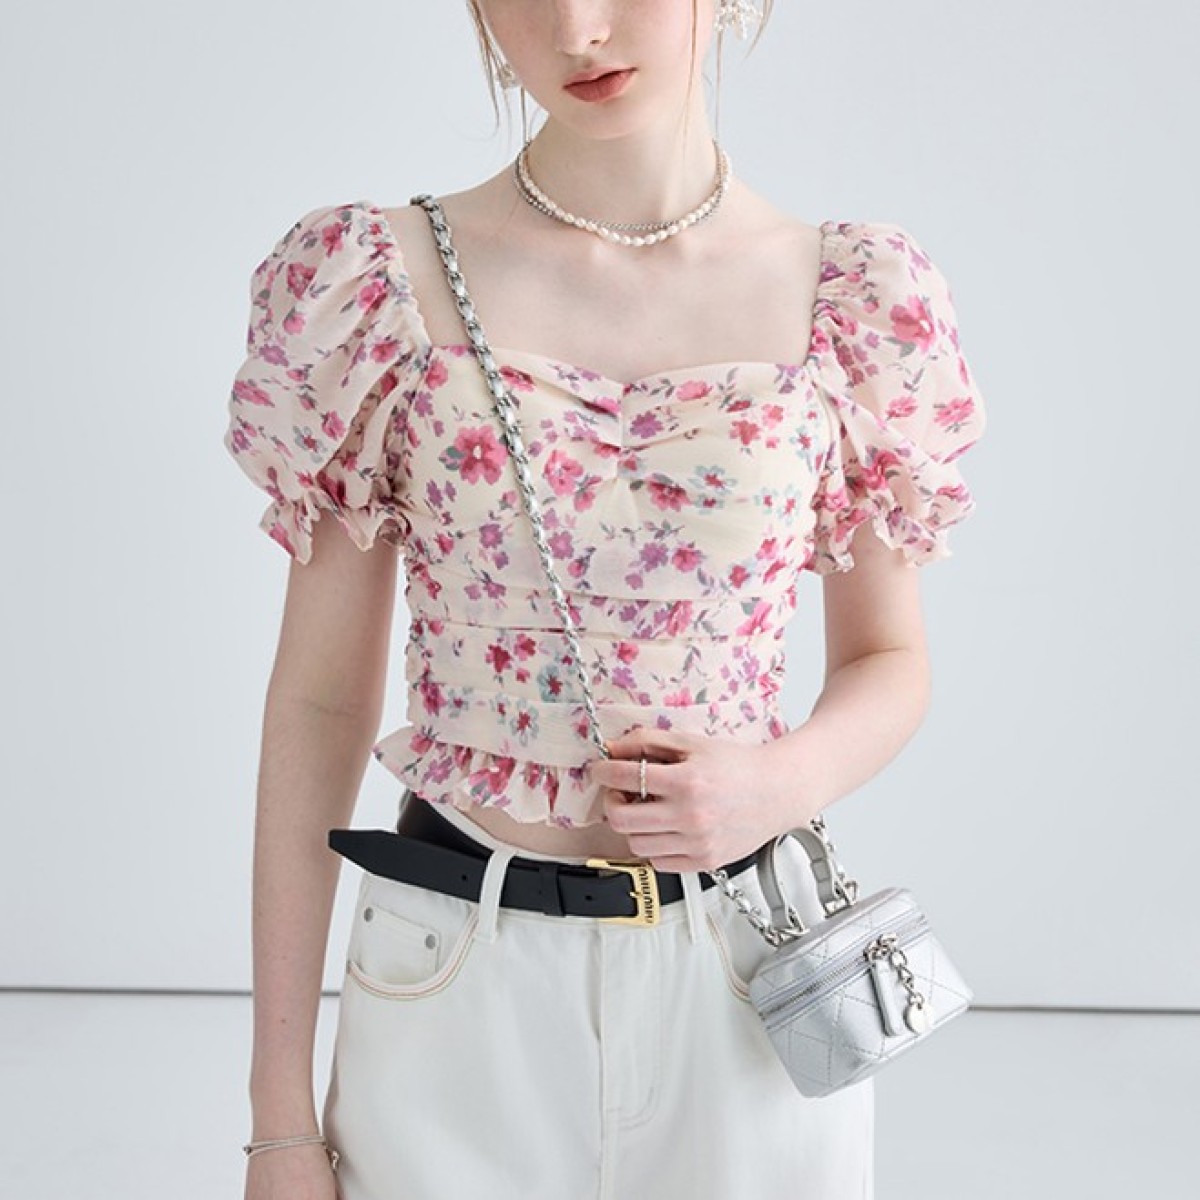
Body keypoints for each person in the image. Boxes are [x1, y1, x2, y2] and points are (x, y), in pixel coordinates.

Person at [225, 1, 988, 1197]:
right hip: (454, 973)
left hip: (746, 983)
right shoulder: (373, 287)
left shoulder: (852, 300)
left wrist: (778, 782)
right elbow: (319, 703)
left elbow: (889, 659)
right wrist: (278, 1115)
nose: (578, 27)